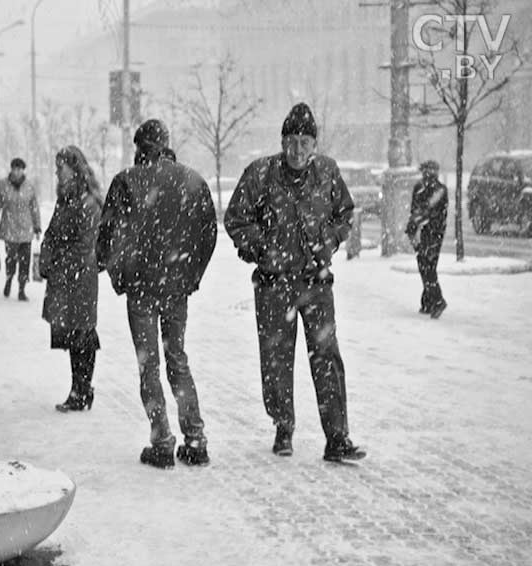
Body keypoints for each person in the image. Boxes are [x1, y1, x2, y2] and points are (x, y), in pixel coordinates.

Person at [224, 102, 366, 463]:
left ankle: (337, 437)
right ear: (282, 141)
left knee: (327, 359)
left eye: (304, 142)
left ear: (314, 145)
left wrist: (331, 240)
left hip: (316, 285)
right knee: (275, 359)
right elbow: (235, 219)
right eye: (292, 141)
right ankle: (282, 427)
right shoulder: (260, 174)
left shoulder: (328, 173)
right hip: (274, 286)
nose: (297, 150)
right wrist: (263, 248)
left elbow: (345, 213)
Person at [97, 119, 217, 469]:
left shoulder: (127, 182)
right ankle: (195, 437)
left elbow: (108, 237)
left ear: (140, 147)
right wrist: (189, 275)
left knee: (149, 364)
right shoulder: (191, 181)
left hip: (142, 288)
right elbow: (207, 234)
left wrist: (121, 274)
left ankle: (162, 439)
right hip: (176, 287)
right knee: (177, 358)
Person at [38, 146, 103, 412]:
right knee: (75, 334)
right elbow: (54, 232)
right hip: (67, 275)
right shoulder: (66, 200)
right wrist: (47, 255)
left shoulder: (88, 202)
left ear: (74, 168)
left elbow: (84, 244)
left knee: (82, 335)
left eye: (60, 167)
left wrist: (57, 262)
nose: (56, 172)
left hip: (79, 276)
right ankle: (80, 389)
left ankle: (81, 390)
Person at [0, 158, 42, 302]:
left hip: (26, 229)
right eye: (15, 168)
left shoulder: (29, 186)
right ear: (11, 169)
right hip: (9, 228)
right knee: (11, 259)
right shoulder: (3, 185)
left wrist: (37, 226)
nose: (17, 172)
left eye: (20, 169)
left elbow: (34, 207)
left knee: (25, 261)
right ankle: (9, 279)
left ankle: (22, 289)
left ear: (23, 170)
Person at [405, 160, 448, 319]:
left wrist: (416, 223)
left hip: (431, 232)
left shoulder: (438, 190)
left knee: (427, 266)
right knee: (426, 265)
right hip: (428, 232)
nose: (428, 175)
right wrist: (414, 225)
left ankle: (437, 300)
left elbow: (426, 210)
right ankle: (428, 301)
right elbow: (418, 210)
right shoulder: (427, 189)